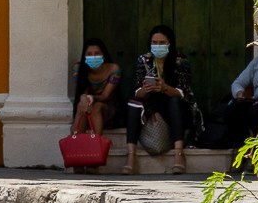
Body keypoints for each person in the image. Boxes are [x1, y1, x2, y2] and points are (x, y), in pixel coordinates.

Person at [128, 24, 194, 175]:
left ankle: (179, 154)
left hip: (175, 109)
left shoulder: (180, 61)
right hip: (151, 106)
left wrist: (164, 88)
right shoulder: (144, 60)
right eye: (154, 43)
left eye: (162, 43)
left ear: (170, 43)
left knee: (174, 101)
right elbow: (137, 92)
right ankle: (130, 156)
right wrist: (146, 90)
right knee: (133, 104)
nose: (157, 46)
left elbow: (184, 94)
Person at [224, 39, 258, 150]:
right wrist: (240, 93)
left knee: (256, 112)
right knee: (234, 109)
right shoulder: (257, 63)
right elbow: (238, 83)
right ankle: (243, 148)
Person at [70, 38, 121, 138]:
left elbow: (105, 96)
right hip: (87, 107)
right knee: (82, 105)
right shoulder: (78, 69)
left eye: (97, 53)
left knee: (96, 107)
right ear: (84, 56)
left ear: (103, 55)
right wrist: (85, 98)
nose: (93, 57)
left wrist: (92, 97)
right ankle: (78, 141)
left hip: (108, 109)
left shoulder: (113, 69)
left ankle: (97, 143)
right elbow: (83, 91)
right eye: (89, 54)